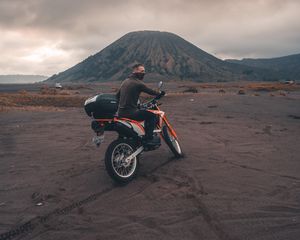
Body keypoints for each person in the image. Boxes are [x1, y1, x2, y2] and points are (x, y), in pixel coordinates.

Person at [116, 63, 165, 145]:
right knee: (152, 116)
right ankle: (148, 139)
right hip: (130, 113)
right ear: (135, 71)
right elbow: (151, 91)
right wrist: (160, 93)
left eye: (144, 71)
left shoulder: (125, 81)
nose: (144, 73)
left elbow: (117, 96)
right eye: (142, 71)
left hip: (121, 113)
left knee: (142, 112)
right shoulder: (138, 83)